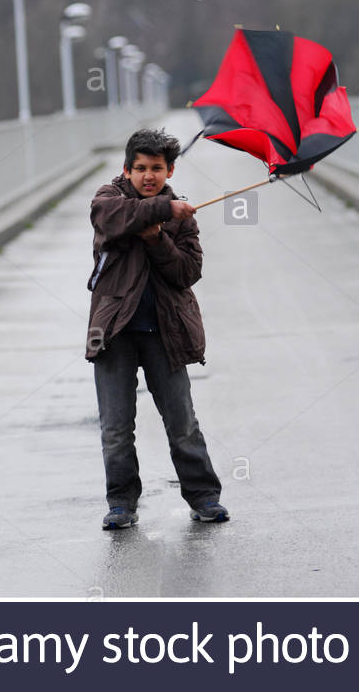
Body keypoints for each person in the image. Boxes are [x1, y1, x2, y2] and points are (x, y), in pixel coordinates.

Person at [86, 128, 228, 529]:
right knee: (115, 428)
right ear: (127, 169)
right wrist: (164, 212)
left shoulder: (181, 216)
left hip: (166, 332)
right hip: (114, 332)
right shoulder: (108, 202)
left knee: (182, 423)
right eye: (141, 168)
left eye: (157, 169)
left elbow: (188, 272)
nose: (149, 176)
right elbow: (116, 221)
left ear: (170, 170)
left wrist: (158, 241)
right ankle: (121, 504)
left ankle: (204, 497)